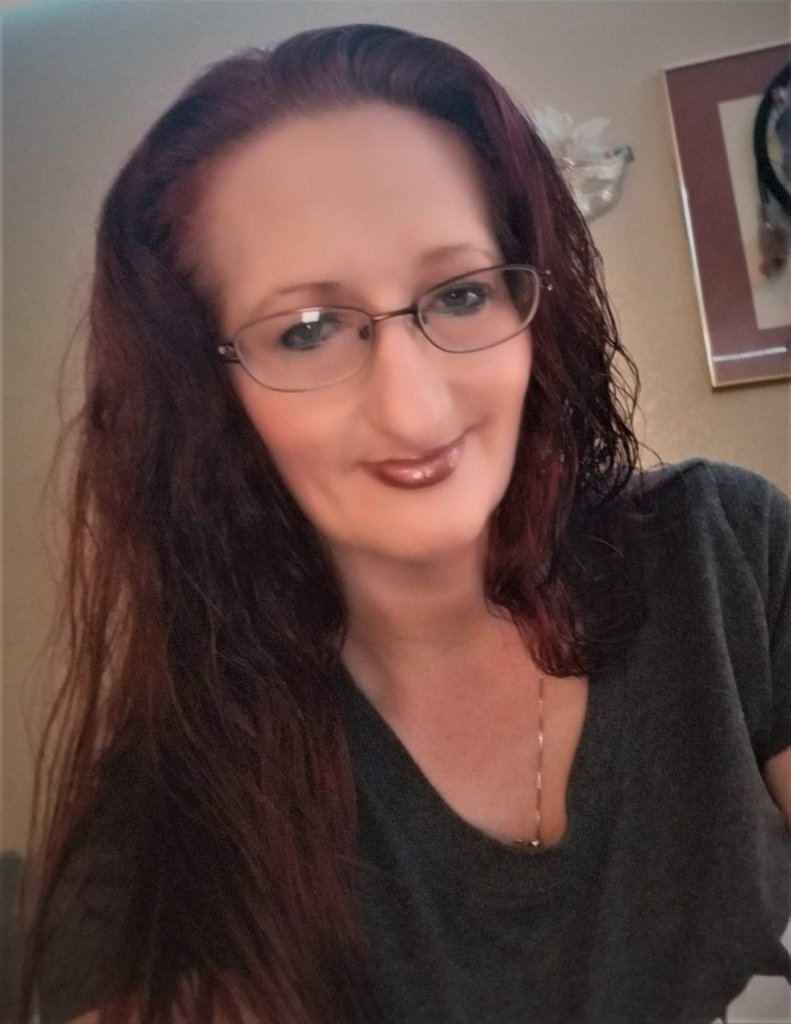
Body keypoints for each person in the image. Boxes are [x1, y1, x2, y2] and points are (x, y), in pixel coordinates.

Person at [11, 22, 791, 1024]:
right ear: (207, 391)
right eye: (307, 329)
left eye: (459, 293)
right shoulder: (168, 828)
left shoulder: (724, 552)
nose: (414, 410)